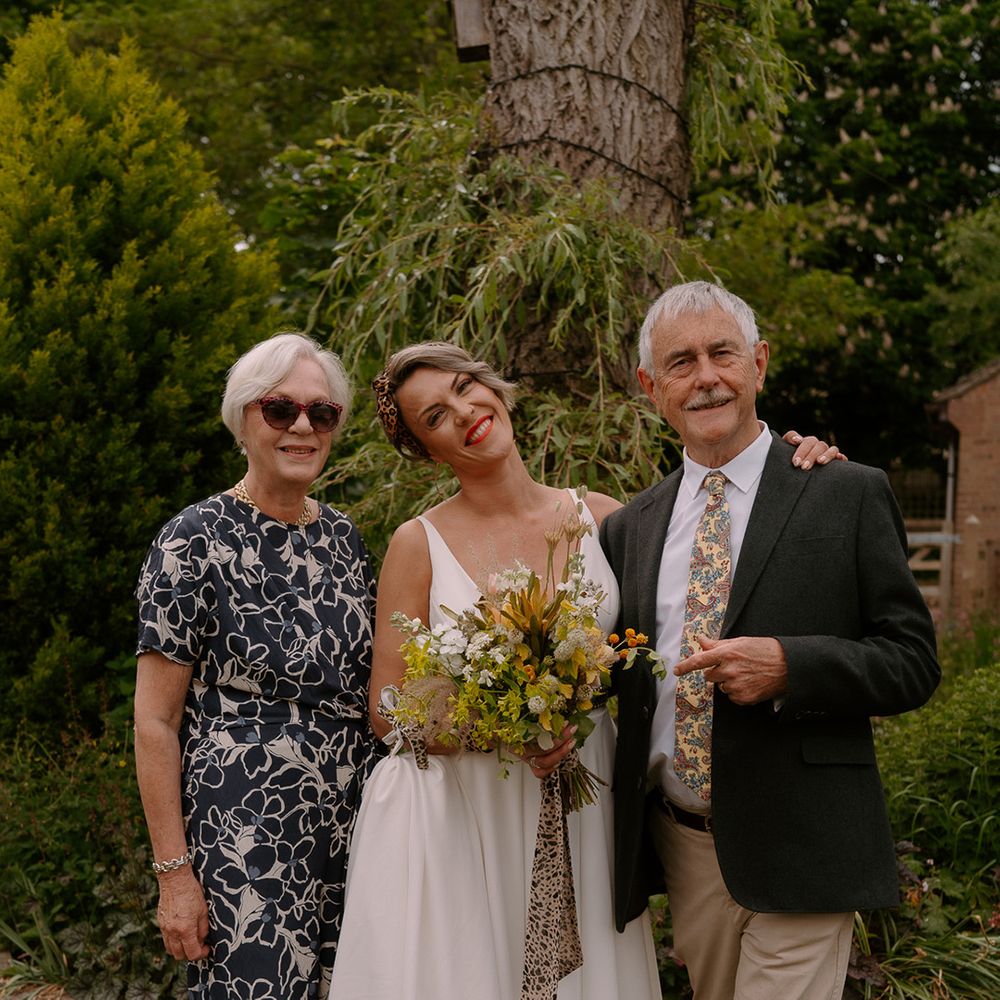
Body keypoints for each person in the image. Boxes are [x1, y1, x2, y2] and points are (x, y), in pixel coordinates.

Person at [328, 342, 839, 1000]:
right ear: (428, 450)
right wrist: (498, 726)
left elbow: (718, 561)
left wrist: (795, 470)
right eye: (434, 416)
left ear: (497, 390)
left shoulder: (600, 518)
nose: (462, 411)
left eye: (465, 387)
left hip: (583, 798)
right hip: (462, 812)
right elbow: (387, 708)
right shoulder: (416, 542)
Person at [601, 281, 941, 1000]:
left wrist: (793, 666)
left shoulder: (843, 491)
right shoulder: (629, 529)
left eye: (723, 353)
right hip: (685, 844)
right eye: (682, 362)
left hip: (805, 835)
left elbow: (912, 662)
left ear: (758, 362)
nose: (707, 377)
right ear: (650, 386)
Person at [134, 332, 378, 999]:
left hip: (352, 825)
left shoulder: (346, 540)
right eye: (280, 410)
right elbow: (155, 721)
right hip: (243, 835)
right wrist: (174, 875)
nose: (303, 426)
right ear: (243, 419)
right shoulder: (192, 539)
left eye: (321, 414)